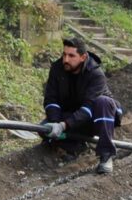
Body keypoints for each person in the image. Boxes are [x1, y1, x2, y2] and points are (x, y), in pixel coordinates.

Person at [42, 37, 123, 174]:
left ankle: (106, 156)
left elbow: (88, 109)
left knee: (103, 102)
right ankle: (75, 146)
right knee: (44, 129)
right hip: (76, 115)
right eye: (64, 54)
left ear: (83, 57)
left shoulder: (96, 74)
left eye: (71, 55)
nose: (66, 59)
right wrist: (55, 122)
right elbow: (51, 99)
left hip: (98, 117)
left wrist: (63, 126)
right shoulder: (57, 69)